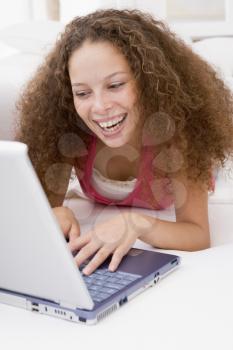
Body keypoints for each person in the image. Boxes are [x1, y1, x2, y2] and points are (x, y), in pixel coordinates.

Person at [16, 9, 233, 275]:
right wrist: (53, 216)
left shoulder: (176, 138)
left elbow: (198, 235)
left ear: (147, 81)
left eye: (115, 85)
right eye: (82, 92)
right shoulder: (68, 132)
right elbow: (44, 211)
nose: (100, 106)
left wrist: (136, 223)